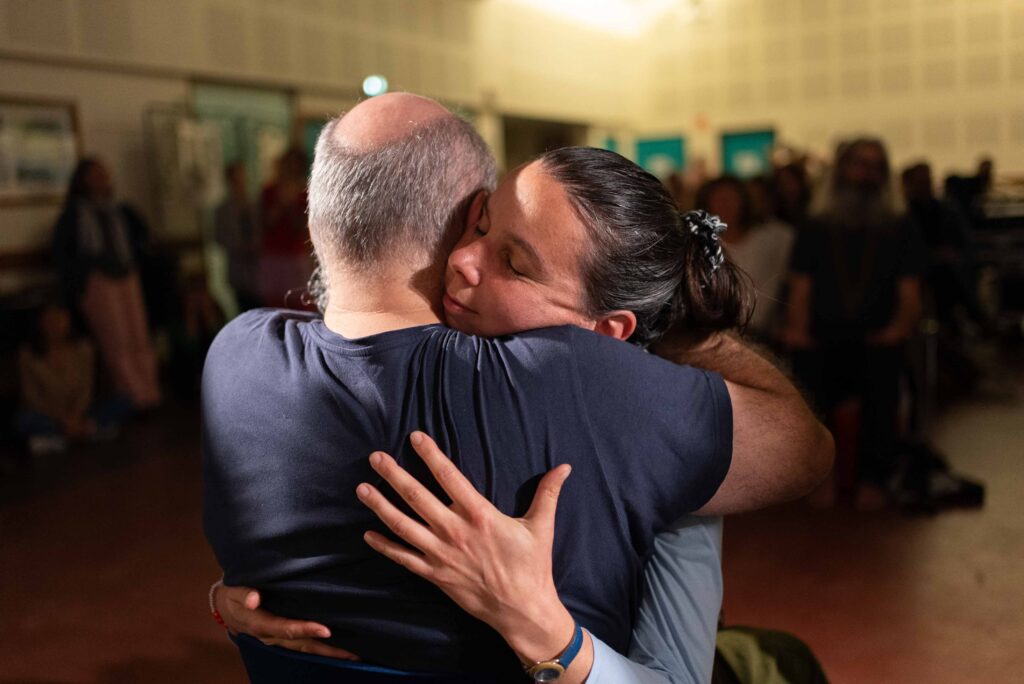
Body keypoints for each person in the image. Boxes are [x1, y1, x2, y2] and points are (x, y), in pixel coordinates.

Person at [204, 94, 832, 682]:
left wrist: (228, 600)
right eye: (479, 228)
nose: (464, 260)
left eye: (514, 262)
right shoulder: (578, 381)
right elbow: (804, 446)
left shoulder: (235, 355)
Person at [782, 138, 924, 508]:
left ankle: (874, 478)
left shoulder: (901, 226)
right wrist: (798, 328)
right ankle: (820, 476)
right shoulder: (815, 226)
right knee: (809, 395)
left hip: (878, 335)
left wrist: (898, 328)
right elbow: (801, 286)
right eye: (859, 163)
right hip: (823, 333)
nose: (866, 174)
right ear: (841, 169)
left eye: (875, 166)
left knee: (883, 387)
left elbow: (910, 292)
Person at [51, 158, 161, 409]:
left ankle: (150, 390)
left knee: (138, 334)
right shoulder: (75, 215)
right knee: (117, 340)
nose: (101, 180)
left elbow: (142, 237)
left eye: (104, 174)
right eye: (94, 175)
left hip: (127, 274)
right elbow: (65, 254)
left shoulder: (120, 211)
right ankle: (132, 395)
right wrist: (86, 273)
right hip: (99, 280)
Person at [14, 302, 132, 455]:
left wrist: (77, 415)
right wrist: (62, 419)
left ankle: (67, 436)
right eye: (50, 320)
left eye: (60, 318)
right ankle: (85, 432)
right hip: (49, 414)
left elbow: (86, 388)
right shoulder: (28, 355)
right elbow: (31, 397)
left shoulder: (83, 349)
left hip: (81, 410)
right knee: (23, 421)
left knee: (124, 401)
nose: (56, 325)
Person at [696, 176, 794, 341]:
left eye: (732, 198)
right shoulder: (699, 244)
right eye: (719, 198)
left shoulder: (775, 237)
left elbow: (790, 282)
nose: (726, 204)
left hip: (766, 333)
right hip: (717, 335)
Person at [258, 147, 313, 307]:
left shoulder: (305, 192)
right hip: (274, 253)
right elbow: (264, 223)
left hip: (295, 254)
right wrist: (281, 203)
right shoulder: (269, 191)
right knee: (275, 302)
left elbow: (304, 228)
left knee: (299, 301)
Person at [214, 161, 262, 312]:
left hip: (258, 267)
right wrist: (239, 246)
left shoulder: (254, 205)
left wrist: (256, 244)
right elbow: (219, 237)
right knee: (243, 306)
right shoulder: (223, 210)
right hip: (238, 267)